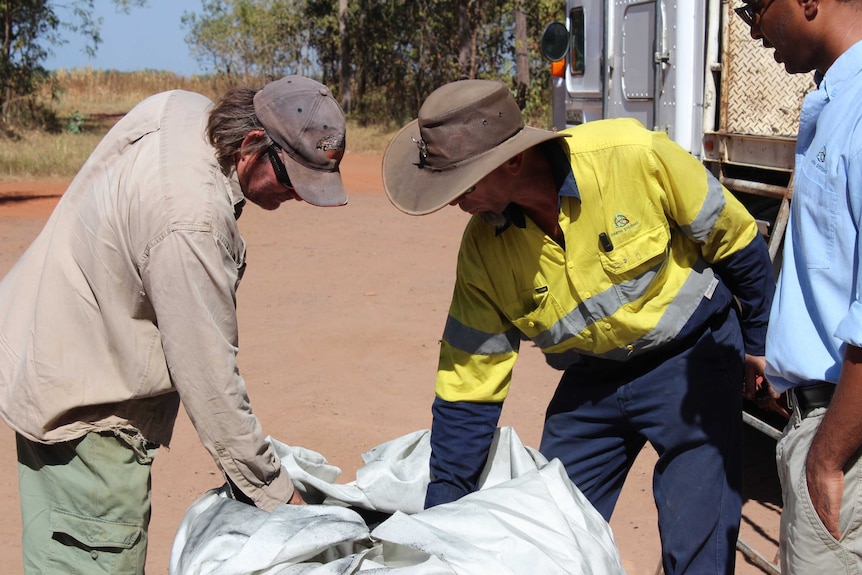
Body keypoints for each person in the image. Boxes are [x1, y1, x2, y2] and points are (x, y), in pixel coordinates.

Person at [381, 79, 775, 574]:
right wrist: (440, 516)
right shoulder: (483, 250)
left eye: (464, 185)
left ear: (512, 161)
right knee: (549, 531)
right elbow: (469, 384)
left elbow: (737, 242)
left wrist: (758, 342)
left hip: (691, 358)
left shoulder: (632, 156)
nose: (455, 203)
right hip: (593, 379)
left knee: (696, 544)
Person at [0, 75, 348, 574]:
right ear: (252, 144)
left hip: (45, 345)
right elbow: (209, 380)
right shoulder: (193, 221)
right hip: (89, 413)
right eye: (293, 179)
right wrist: (278, 497)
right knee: (91, 552)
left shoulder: (185, 111)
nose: (298, 196)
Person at [735, 0, 862, 571]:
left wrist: (827, 459)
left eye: (755, 7)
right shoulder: (837, 101)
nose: (753, 28)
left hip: (847, 446)